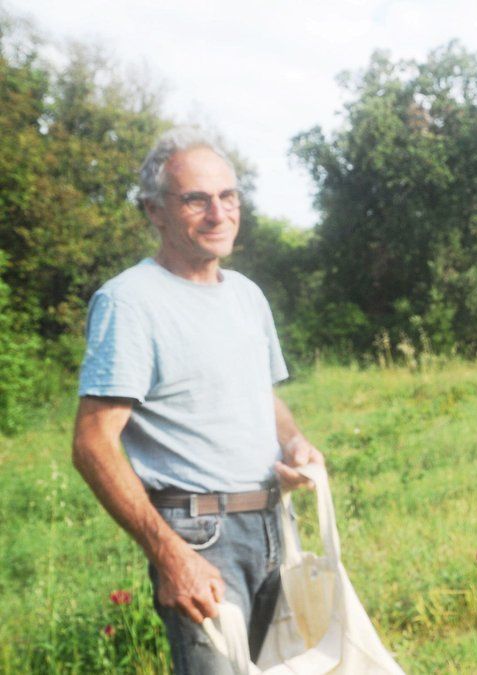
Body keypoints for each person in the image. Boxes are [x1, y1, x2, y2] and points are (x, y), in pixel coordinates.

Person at [72, 128, 324, 673]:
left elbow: (261, 395)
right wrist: (169, 555)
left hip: (274, 523)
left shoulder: (247, 295)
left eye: (227, 196)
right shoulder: (129, 302)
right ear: (154, 211)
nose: (218, 212)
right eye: (196, 199)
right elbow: (92, 444)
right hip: (198, 537)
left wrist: (296, 441)